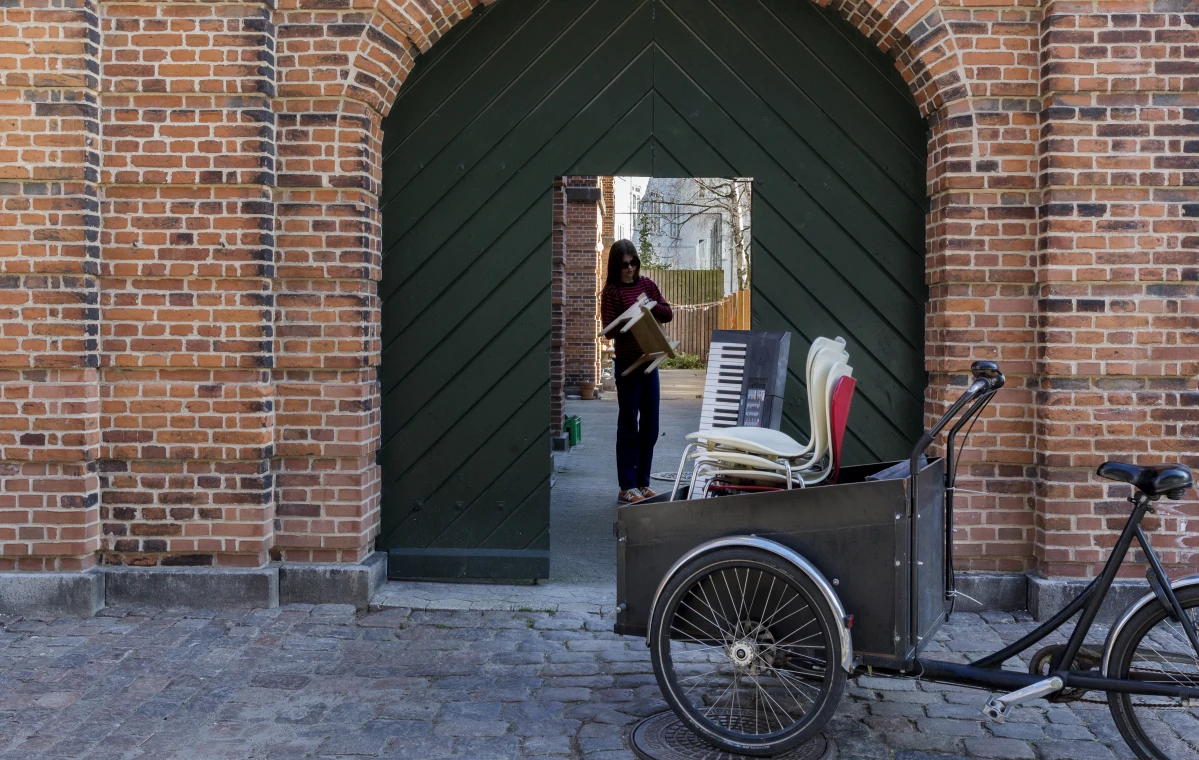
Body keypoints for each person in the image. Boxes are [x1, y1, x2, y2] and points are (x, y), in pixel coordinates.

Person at [600, 239, 673, 504]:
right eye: (624, 265)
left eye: (633, 263)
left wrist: (651, 306)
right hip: (628, 366)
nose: (630, 269)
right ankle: (626, 486)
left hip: (649, 361)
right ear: (615, 266)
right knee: (629, 425)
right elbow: (607, 329)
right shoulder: (611, 292)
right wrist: (631, 320)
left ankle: (643, 483)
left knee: (650, 426)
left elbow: (668, 313)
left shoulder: (647, 285)